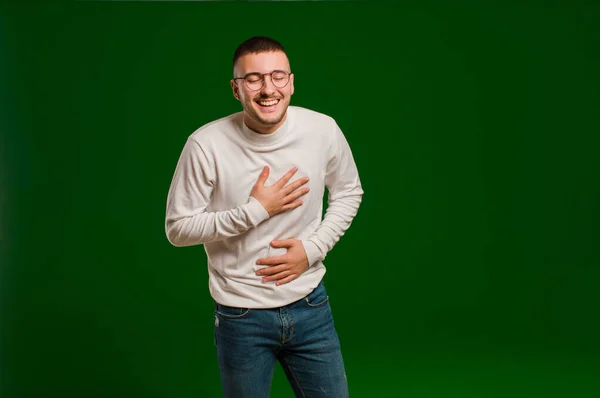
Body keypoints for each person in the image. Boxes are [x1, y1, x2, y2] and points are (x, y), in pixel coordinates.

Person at [165, 36, 363, 398]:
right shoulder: (205, 144)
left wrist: (313, 248)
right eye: (253, 79)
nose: (267, 88)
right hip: (241, 316)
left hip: (311, 306)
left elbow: (349, 191)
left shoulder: (323, 130)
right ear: (236, 89)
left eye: (277, 76)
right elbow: (178, 228)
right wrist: (256, 210)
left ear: (291, 82)